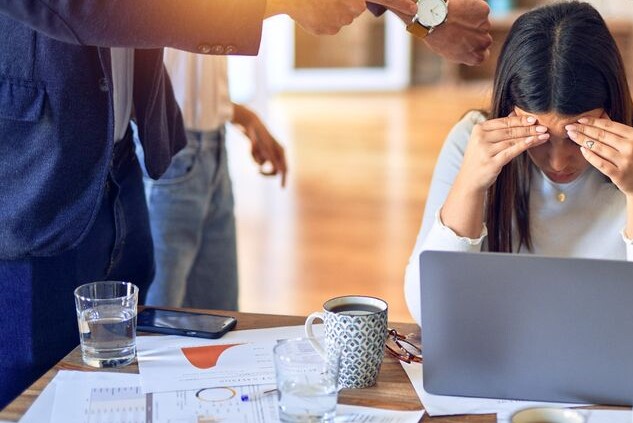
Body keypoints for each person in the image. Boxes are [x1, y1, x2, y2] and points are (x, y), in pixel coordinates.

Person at [0, 0, 491, 408]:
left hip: (121, 156)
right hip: (35, 171)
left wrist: (415, 10)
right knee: (30, 390)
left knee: (124, 377)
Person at [403, 1, 633, 342]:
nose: (559, 162)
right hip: (505, 354)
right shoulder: (471, 141)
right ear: (508, 110)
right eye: (540, 136)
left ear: (612, 107)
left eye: (579, 137)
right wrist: (470, 185)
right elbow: (428, 310)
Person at [142, 50, 288, 311]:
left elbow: (195, 65)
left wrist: (242, 116)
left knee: (220, 317)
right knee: (158, 321)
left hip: (215, 146)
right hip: (170, 151)